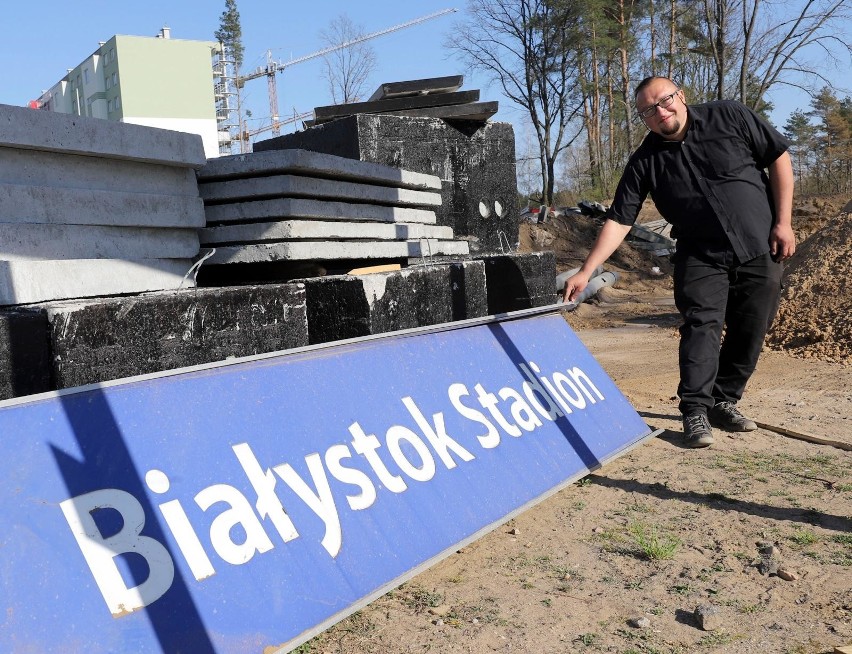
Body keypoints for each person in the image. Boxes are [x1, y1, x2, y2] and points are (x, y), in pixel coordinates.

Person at [562, 76, 795, 448]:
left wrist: (783, 222)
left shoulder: (730, 116)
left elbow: (778, 157)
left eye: (664, 100)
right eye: (648, 110)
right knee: (701, 324)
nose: (660, 111)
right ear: (643, 119)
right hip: (700, 255)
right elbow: (621, 219)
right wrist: (587, 270)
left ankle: (723, 400)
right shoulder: (645, 161)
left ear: (680, 96)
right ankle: (696, 411)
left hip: (758, 245)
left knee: (753, 324)